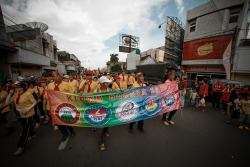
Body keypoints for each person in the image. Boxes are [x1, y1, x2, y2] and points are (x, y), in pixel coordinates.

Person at [6, 82, 37, 156]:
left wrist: (27, 110)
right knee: (25, 126)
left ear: (22, 88)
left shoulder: (27, 94)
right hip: (21, 114)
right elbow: (7, 102)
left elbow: (34, 102)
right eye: (15, 87)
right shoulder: (16, 94)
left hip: (28, 114)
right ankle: (32, 134)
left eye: (17, 87)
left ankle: (21, 146)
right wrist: (10, 94)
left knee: (25, 130)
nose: (15, 88)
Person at [44, 71, 76, 141]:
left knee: (67, 119)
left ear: (60, 76)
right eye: (53, 76)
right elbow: (46, 95)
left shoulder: (66, 84)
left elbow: (73, 93)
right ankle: (65, 134)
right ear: (52, 78)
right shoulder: (49, 85)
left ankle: (71, 130)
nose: (55, 78)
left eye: (57, 76)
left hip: (64, 106)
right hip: (54, 107)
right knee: (59, 122)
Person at [93, 76, 112, 151]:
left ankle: (106, 131)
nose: (108, 83)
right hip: (100, 112)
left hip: (108, 110)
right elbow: (92, 99)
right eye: (106, 82)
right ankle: (101, 142)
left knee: (107, 124)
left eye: (108, 82)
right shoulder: (96, 91)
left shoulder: (110, 90)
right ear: (101, 84)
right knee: (101, 127)